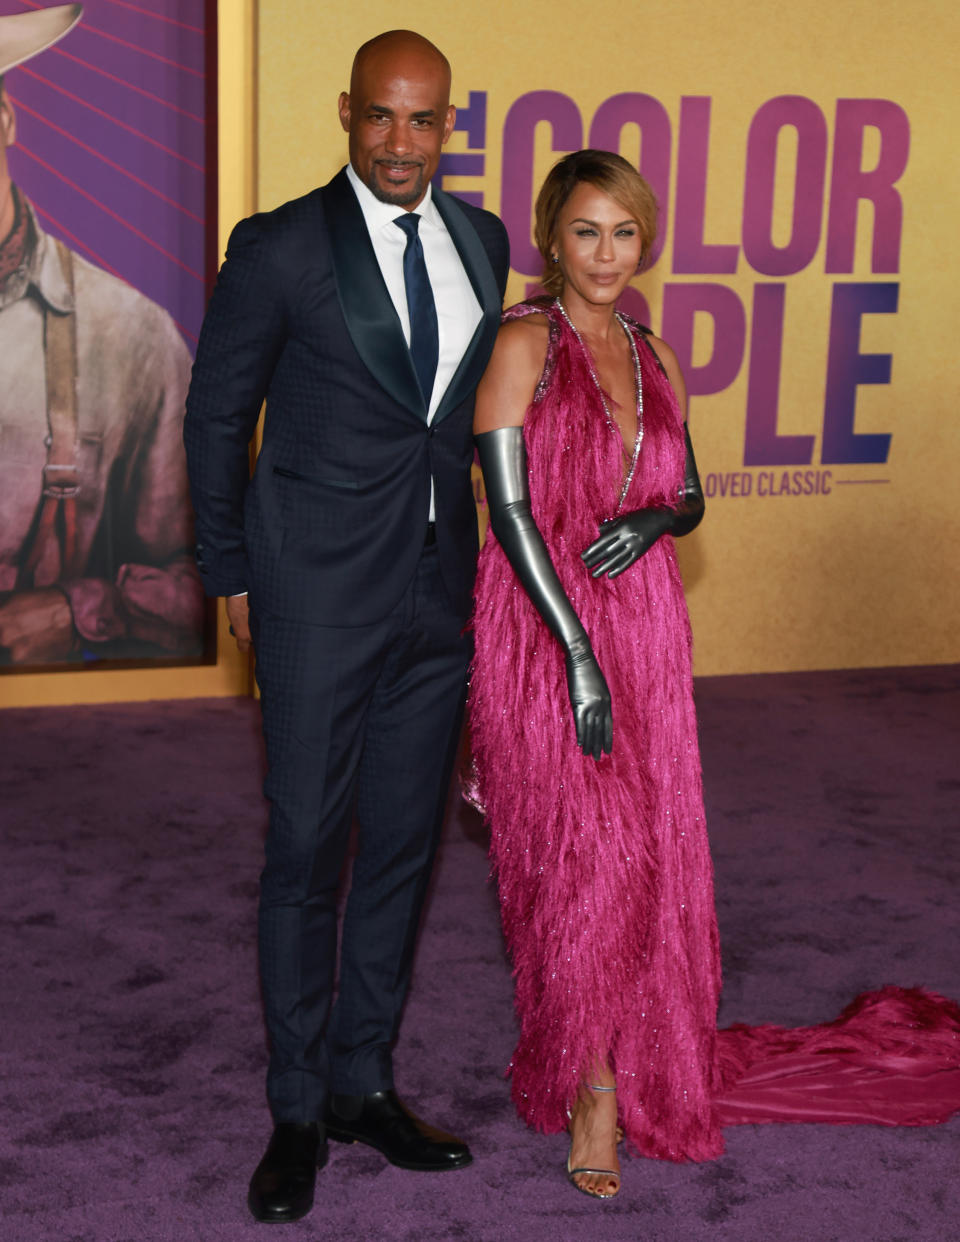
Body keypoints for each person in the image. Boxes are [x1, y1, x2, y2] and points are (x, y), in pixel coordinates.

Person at [469, 149, 960, 1201]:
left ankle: (638, 1052)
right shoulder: (520, 342)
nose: (607, 254)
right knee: (579, 868)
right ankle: (591, 1092)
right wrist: (576, 652)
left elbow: (688, 494)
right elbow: (510, 517)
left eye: (627, 234)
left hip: (646, 626)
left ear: (646, 243)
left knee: (647, 861)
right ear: (554, 237)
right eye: (588, 232)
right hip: (545, 632)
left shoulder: (652, 352)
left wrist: (655, 516)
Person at [184, 30, 509, 1225]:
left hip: (437, 590)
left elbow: (472, 422)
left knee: (406, 850)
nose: (402, 144)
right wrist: (230, 569)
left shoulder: (482, 238)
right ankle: (292, 1106)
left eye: (425, 122)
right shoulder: (276, 248)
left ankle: (363, 1079)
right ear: (346, 114)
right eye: (382, 117)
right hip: (313, 591)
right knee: (306, 847)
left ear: (448, 127)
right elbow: (216, 417)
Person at [0, 3, 203, 667]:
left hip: (50, 728)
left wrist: (79, 609)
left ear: (5, 116)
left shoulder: (129, 334)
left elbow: (208, 583)